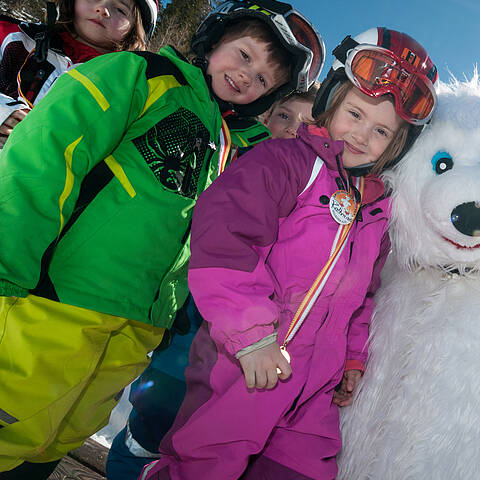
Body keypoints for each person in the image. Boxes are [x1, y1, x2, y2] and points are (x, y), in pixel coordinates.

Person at [0, 0, 324, 478]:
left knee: (58, 435)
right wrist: (8, 262)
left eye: (262, 80)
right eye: (244, 54)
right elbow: (44, 156)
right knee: (12, 421)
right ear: (215, 39)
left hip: (137, 327)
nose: (246, 76)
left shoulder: (235, 144)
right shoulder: (142, 75)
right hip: (54, 299)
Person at [139, 27, 438, 480]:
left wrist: (353, 359)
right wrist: (252, 335)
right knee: (206, 464)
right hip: (245, 365)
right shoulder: (285, 162)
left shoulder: (375, 210)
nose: (362, 134)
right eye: (355, 113)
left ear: (397, 146)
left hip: (315, 386)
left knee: (302, 471)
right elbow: (225, 236)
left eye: (381, 131)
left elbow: (363, 297)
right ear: (332, 101)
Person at [105, 82, 320, 480]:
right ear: (265, 118)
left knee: (196, 437)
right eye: (285, 116)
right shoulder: (236, 161)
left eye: (307, 123)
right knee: (153, 423)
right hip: (188, 335)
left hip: (238, 355)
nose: (293, 129)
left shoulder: (311, 195)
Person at [0, 0, 157, 148]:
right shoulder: (16, 38)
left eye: (120, 10)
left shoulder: (126, 91)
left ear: (135, 29)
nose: (103, 9)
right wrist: (4, 113)